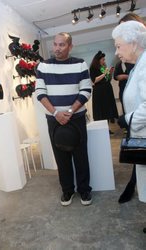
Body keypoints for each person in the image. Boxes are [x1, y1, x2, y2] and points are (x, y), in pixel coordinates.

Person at [35, 32, 92, 206]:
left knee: (81, 155)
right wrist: (56, 113)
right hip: (54, 119)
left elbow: (86, 90)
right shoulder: (43, 66)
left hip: (76, 117)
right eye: (55, 44)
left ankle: (84, 191)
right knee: (61, 156)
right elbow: (40, 93)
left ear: (70, 46)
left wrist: (68, 111)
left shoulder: (80, 64)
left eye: (62, 45)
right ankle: (67, 191)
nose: (57, 48)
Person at [112, 21, 146, 204]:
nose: (116, 52)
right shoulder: (140, 64)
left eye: (118, 46)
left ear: (133, 43)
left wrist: (128, 119)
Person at [89, 51, 118, 134]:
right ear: (98, 60)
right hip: (99, 93)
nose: (104, 61)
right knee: (101, 110)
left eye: (104, 59)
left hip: (107, 91)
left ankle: (107, 128)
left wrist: (110, 73)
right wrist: (104, 73)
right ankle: (102, 129)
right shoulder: (93, 68)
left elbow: (108, 79)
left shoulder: (103, 67)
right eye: (103, 59)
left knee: (107, 110)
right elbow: (94, 80)